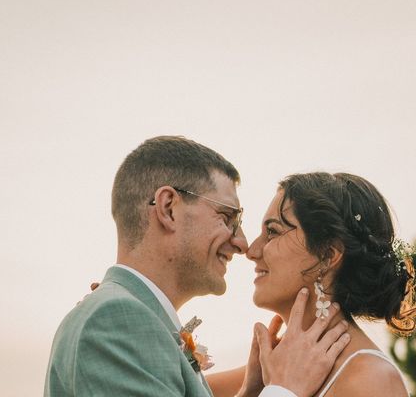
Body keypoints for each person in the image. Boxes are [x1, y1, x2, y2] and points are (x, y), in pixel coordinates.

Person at [44, 136, 350, 397]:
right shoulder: (117, 321)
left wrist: (250, 391)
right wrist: (285, 389)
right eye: (227, 217)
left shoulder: (133, 317)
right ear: (168, 208)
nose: (243, 243)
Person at [208, 172, 416, 397]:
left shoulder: (371, 381)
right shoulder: (266, 374)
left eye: (272, 232)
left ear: (327, 255)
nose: (252, 251)